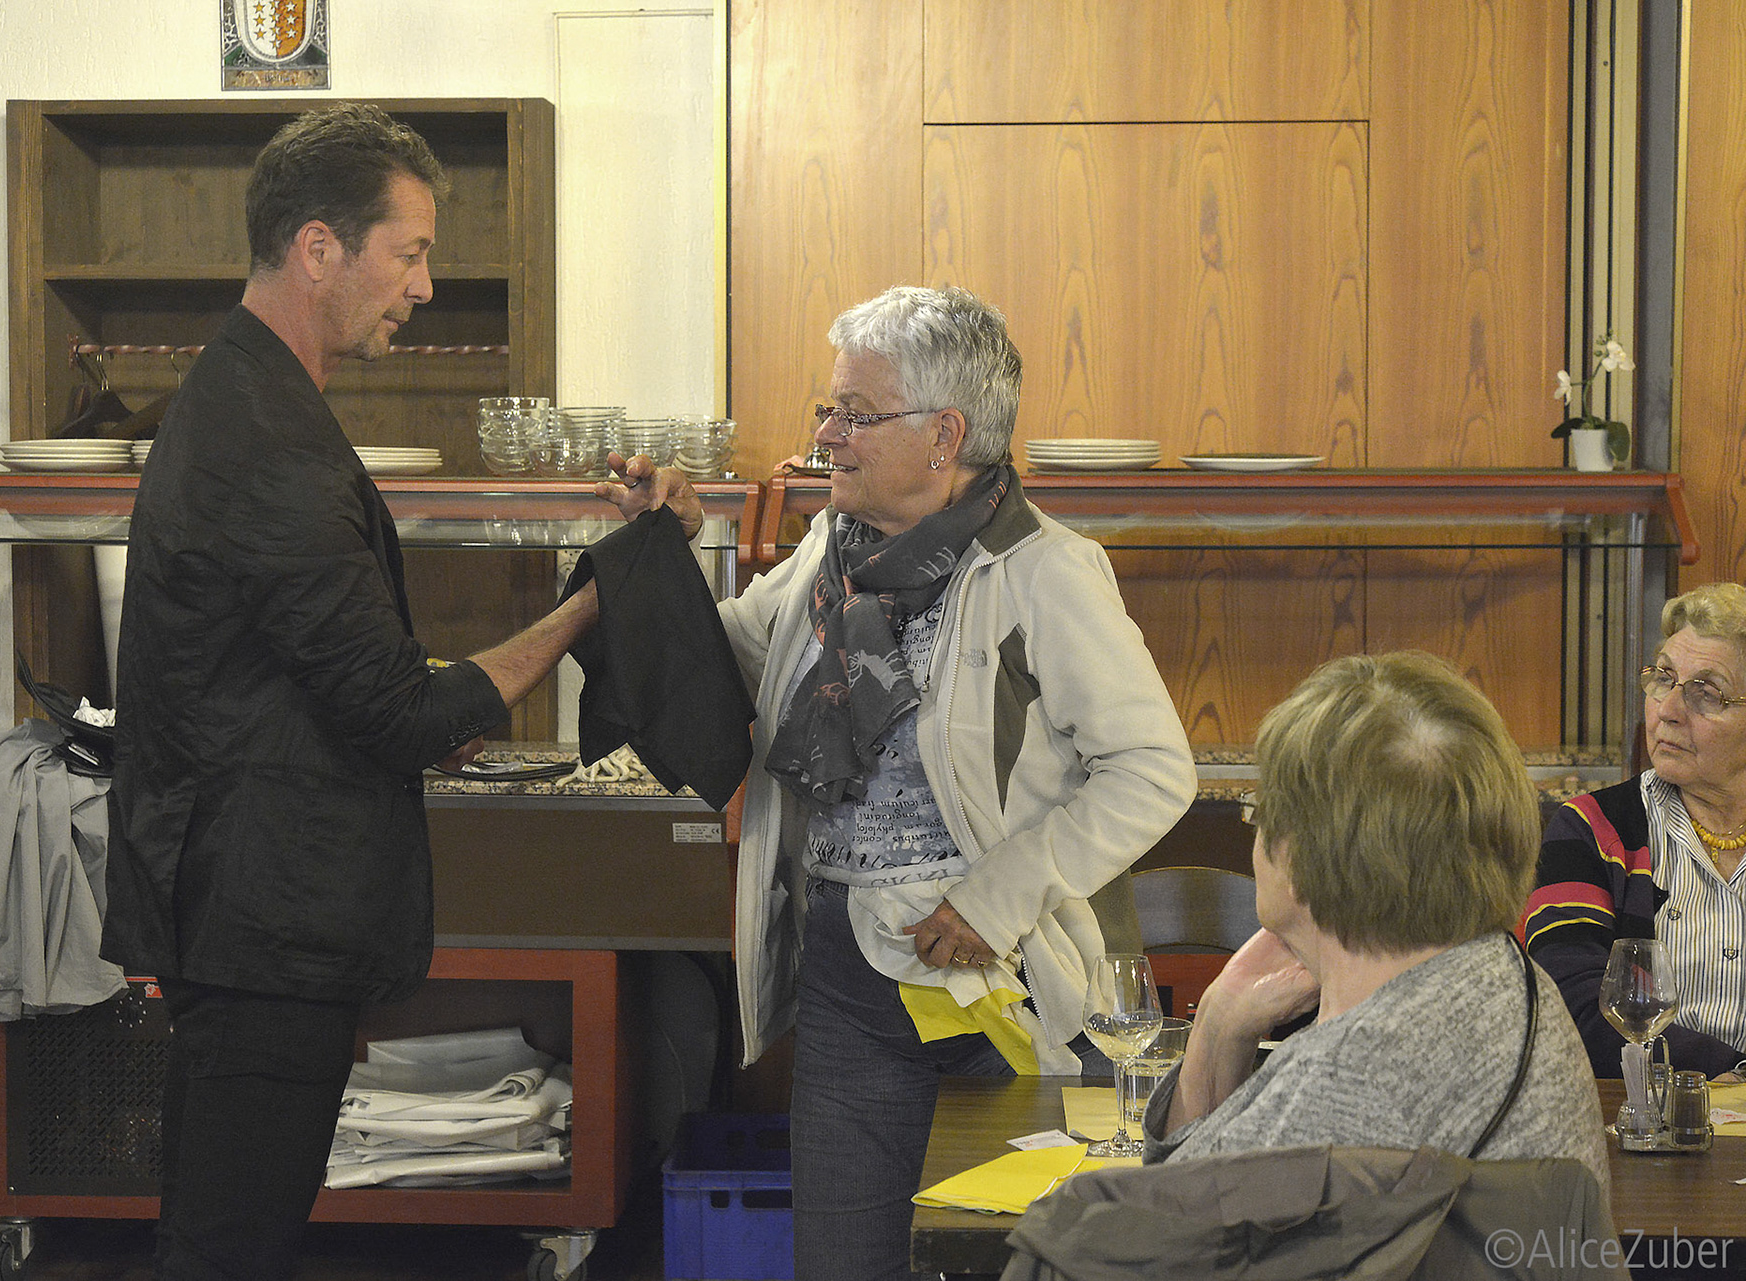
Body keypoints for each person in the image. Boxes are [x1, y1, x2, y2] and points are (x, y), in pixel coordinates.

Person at [600, 285, 1196, 1281]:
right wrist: (672, 546)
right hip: (847, 981)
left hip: (992, 987)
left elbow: (1152, 769)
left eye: (854, 415)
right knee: (843, 1262)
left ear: (943, 435)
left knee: (995, 1262)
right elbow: (737, 657)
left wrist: (999, 897)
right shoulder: (831, 553)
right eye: (828, 409)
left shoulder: (1045, 572)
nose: (826, 434)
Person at [102, 104, 599, 1280]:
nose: (424, 286)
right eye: (411, 252)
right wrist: (590, 608)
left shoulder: (251, 396)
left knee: (232, 1235)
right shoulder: (265, 439)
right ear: (320, 248)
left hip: (251, 905)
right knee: (229, 1247)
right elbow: (397, 718)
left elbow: (321, 674)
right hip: (261, 920)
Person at [1139, 652, 1609, 1193]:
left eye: (1261, 808)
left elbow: (1176, 1229)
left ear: (1296, 857)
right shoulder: (1508, 981)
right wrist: (1222, 1022)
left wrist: (1215, 1030)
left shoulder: (1349, 1077)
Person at [1526, 582, 1746, 1079]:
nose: (1668, 709)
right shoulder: (1588, 829)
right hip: (1637, 1129)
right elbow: (1570, 1008)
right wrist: (1731, 1073)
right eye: (1664, 678)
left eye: (1705, 692)